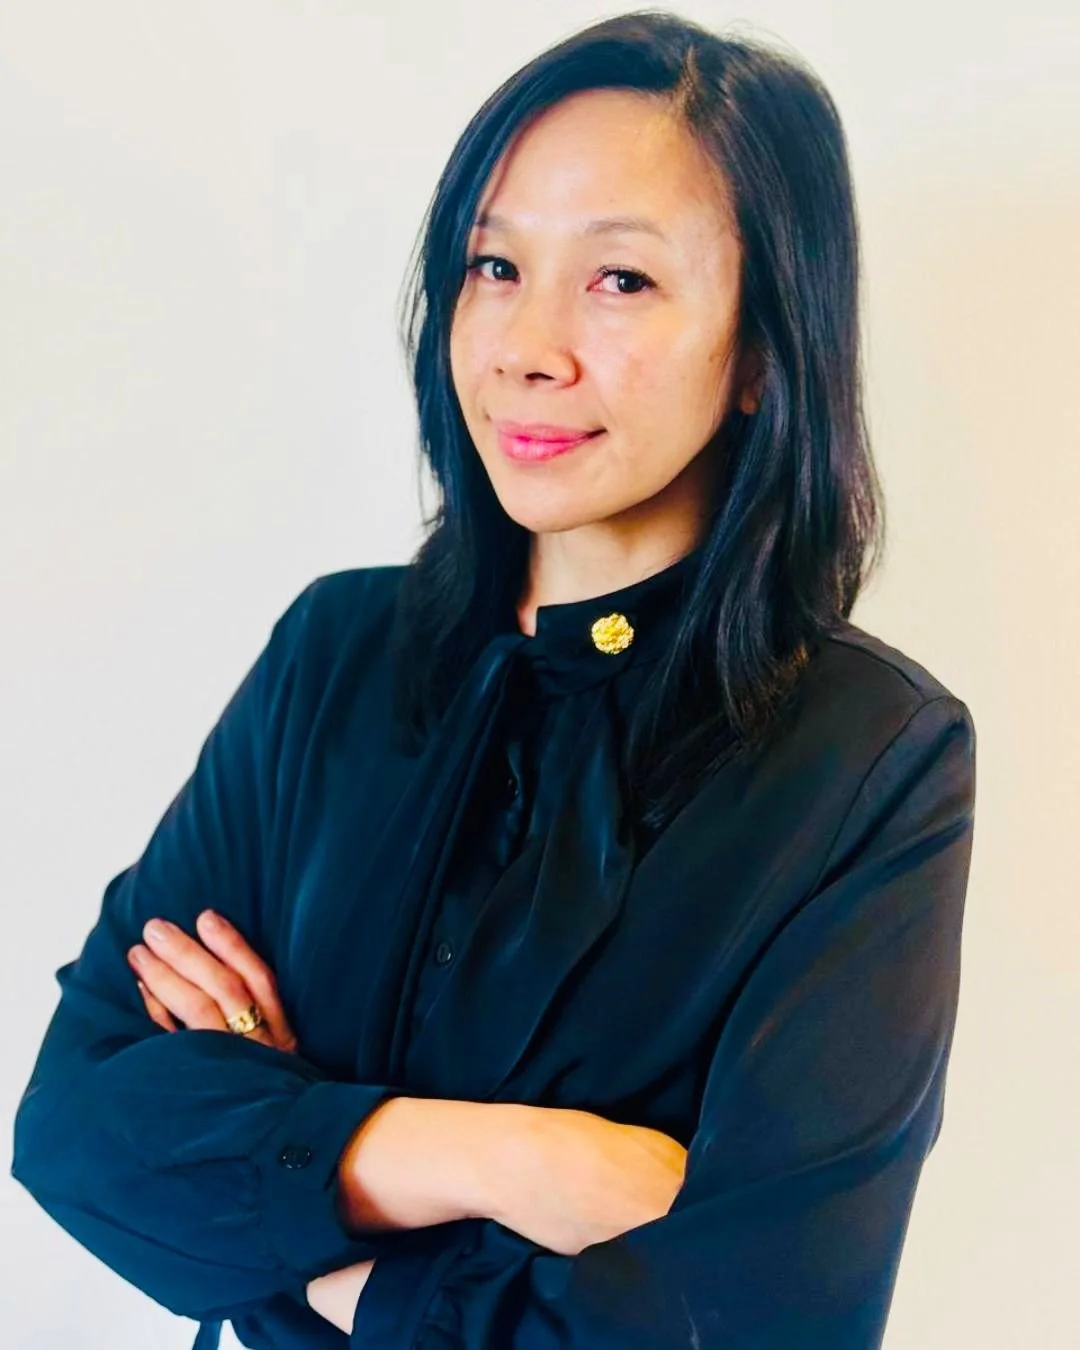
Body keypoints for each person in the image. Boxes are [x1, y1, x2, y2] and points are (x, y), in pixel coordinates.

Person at [10, 11, 977, 1349]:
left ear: (764, 346)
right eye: (492, 264)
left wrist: (289, 1223)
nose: (529, 344)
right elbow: (75, 1126)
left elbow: (754, 1321)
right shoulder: (334, 653)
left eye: (620, 280)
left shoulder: (871, 755)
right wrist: (503, 1157)